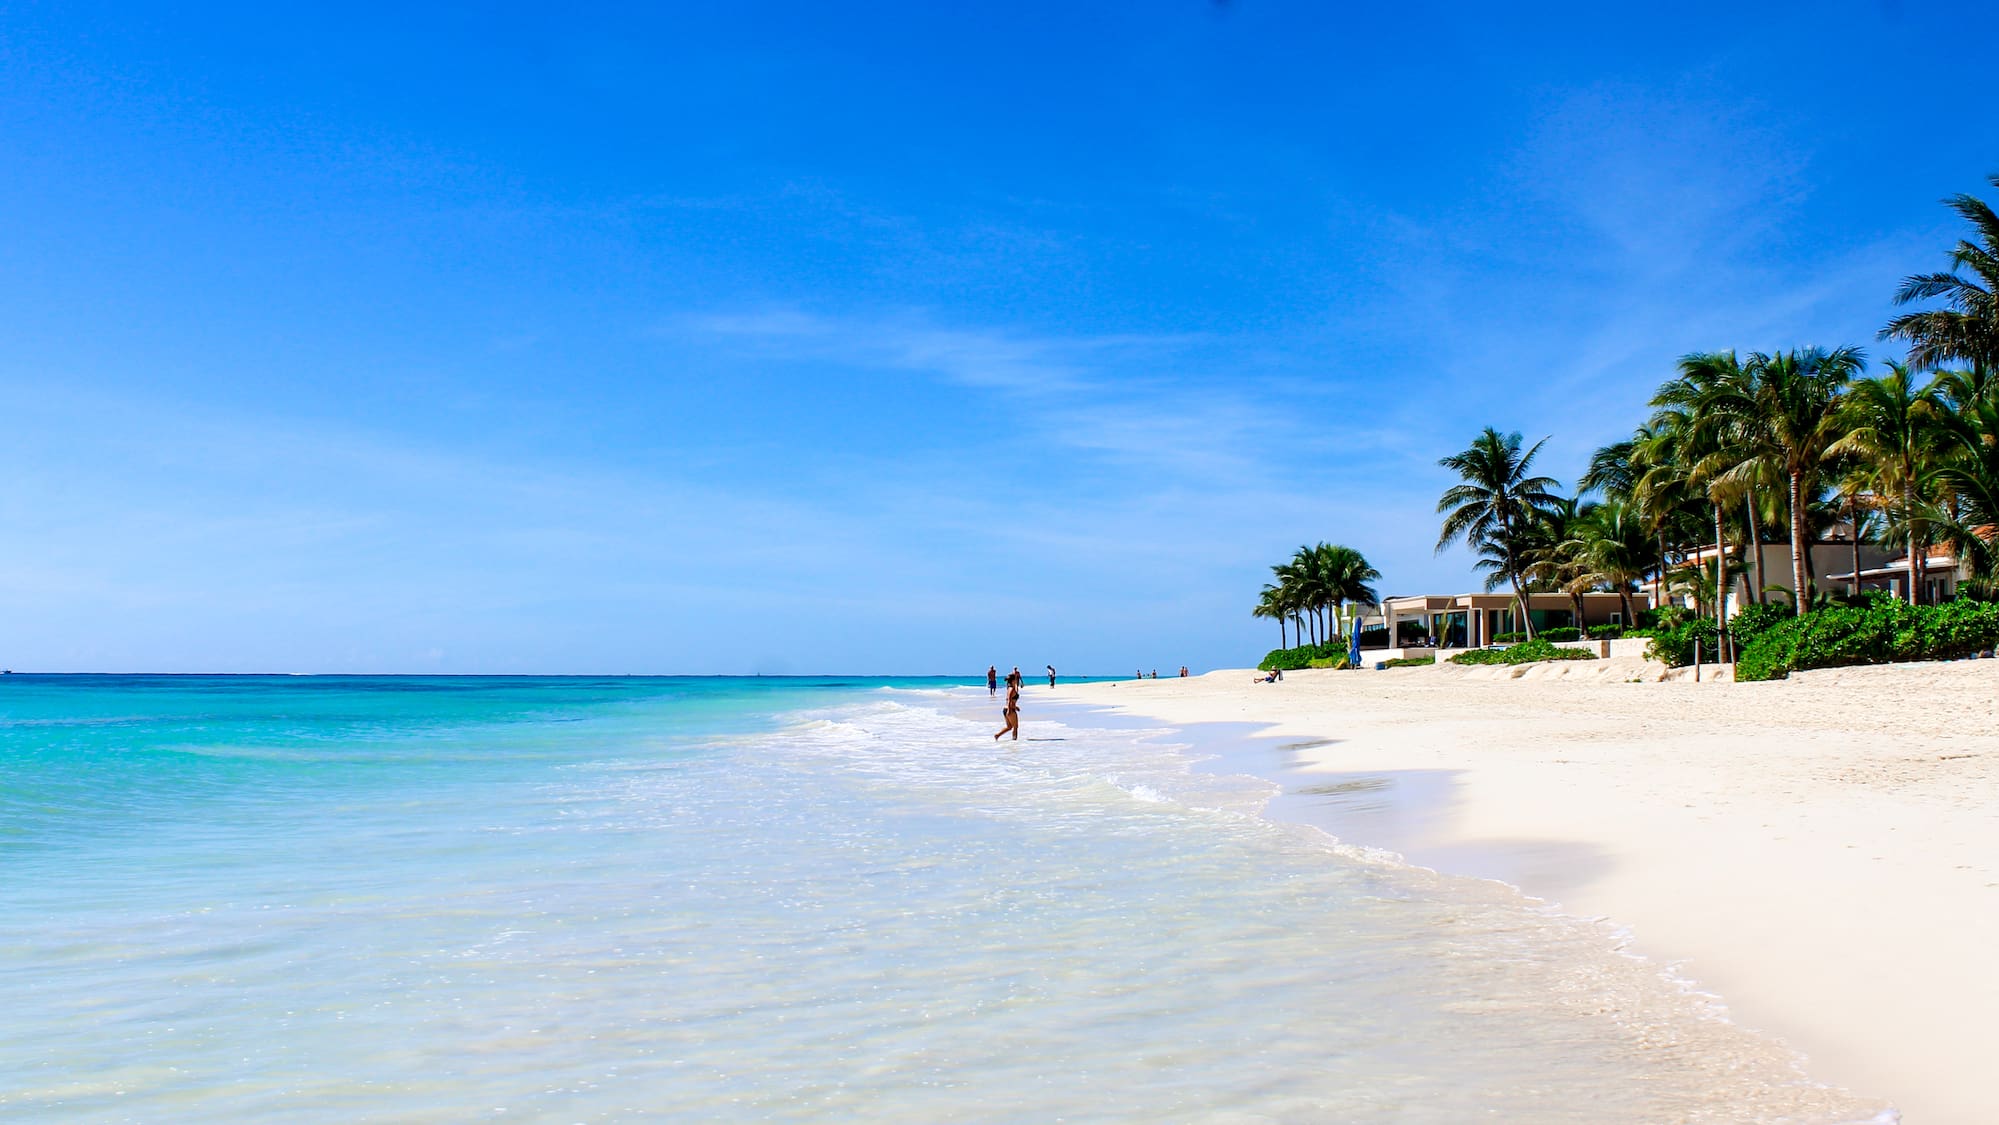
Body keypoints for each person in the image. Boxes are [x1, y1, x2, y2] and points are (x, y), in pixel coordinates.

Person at [993, 674, 1021, 741]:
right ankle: (1014, 741)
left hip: (1006, 709)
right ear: (1013, 680)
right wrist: (1010, 709)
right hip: (1010, 709)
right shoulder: (1011, 689)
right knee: (1015, 727)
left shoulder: (1009, 688)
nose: (1017, 680)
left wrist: (1015, 707)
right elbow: (1009, 700)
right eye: (1016, 679)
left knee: (1009, 727)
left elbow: (1010, 700)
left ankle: (997, 735)